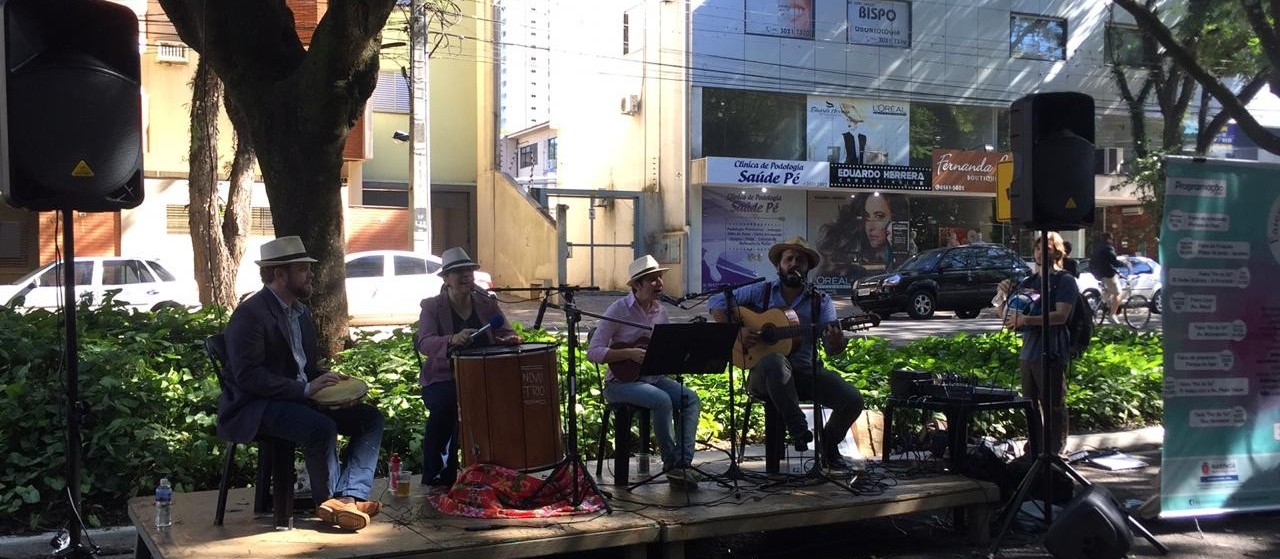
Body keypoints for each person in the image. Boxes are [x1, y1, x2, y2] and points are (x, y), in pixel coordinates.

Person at [221, 236, 385, 531]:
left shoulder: (300, 312)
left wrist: (332, 383)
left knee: (370, 419)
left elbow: (303, 367)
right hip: (258, 405)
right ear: (279, 274)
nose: (311, 274)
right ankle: (330, 502)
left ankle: (350, 496)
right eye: (303, 269)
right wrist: (306, 389)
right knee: (320, 428)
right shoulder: (251, 315)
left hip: (295, 397)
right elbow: (248, 377)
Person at [708, 237, 865, 471]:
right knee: (775, 360)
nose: (793, 264)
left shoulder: (820, 301)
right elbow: (717, 301)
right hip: (763, 375)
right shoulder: (761, 291)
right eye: (788, 259)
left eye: (799, 261)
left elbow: (833, 351)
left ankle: (828, 446)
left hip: (805, 374)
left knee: (852, 400)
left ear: (807, 268)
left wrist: (836, 341)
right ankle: (799, 429)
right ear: (778, 265)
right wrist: (736, 333)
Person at [586, 255, 703, 489]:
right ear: (637, 285)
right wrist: (628, 353)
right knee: (661, 400)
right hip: (619, 384)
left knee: (690, 398)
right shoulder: (618, 310)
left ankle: (683, 463)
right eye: (652, 279)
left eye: (659, 278)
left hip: (654, 378)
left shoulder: (660, 312)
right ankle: (671, 466)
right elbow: (594, 352)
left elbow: (668, 348)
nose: (659, 284)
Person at [414, 247, 520, 488]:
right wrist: (451, 339)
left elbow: (506, 331)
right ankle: (439, 474)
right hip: (443, 378)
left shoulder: (486, 303)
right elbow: (425, 342)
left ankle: (495, 467)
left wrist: (508, 339)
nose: (466, 276)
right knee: (447, 404)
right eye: (459, 272)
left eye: (469, 271)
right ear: (446, 279)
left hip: (484, 376)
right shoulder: (432, 306)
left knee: (505, 402)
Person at [994, 232, 1079, 455]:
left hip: (1052, 351)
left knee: (1053, 404)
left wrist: (1027, 320)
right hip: (1029, 352)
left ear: (1058, 252)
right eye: (1038, 248)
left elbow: (1061, 315)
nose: (1041, 253)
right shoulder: (1028, 281)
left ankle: (1055, 452)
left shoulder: (1065, 280)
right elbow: (1009, 318)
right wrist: (1001, 297)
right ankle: (1035, 449)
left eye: (1047, 248)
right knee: (1030, 404)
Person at [815, 193, 906, 284]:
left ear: (894, 219)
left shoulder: (900, 254)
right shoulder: (852, 258)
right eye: (866, 217)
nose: (870, 227)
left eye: (879, 216)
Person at [1090, 232, 1122, 323]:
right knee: (1117, 293)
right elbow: (1113, 261)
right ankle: (1112, 315)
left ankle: (1106, 303)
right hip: (1106, 273)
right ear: (1109, 239)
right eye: (1111, 239)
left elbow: (1104, 261)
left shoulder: (1097, 247)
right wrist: (1123, 263)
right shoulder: (1108, 248)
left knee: (1108, 291)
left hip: (1097, 273)